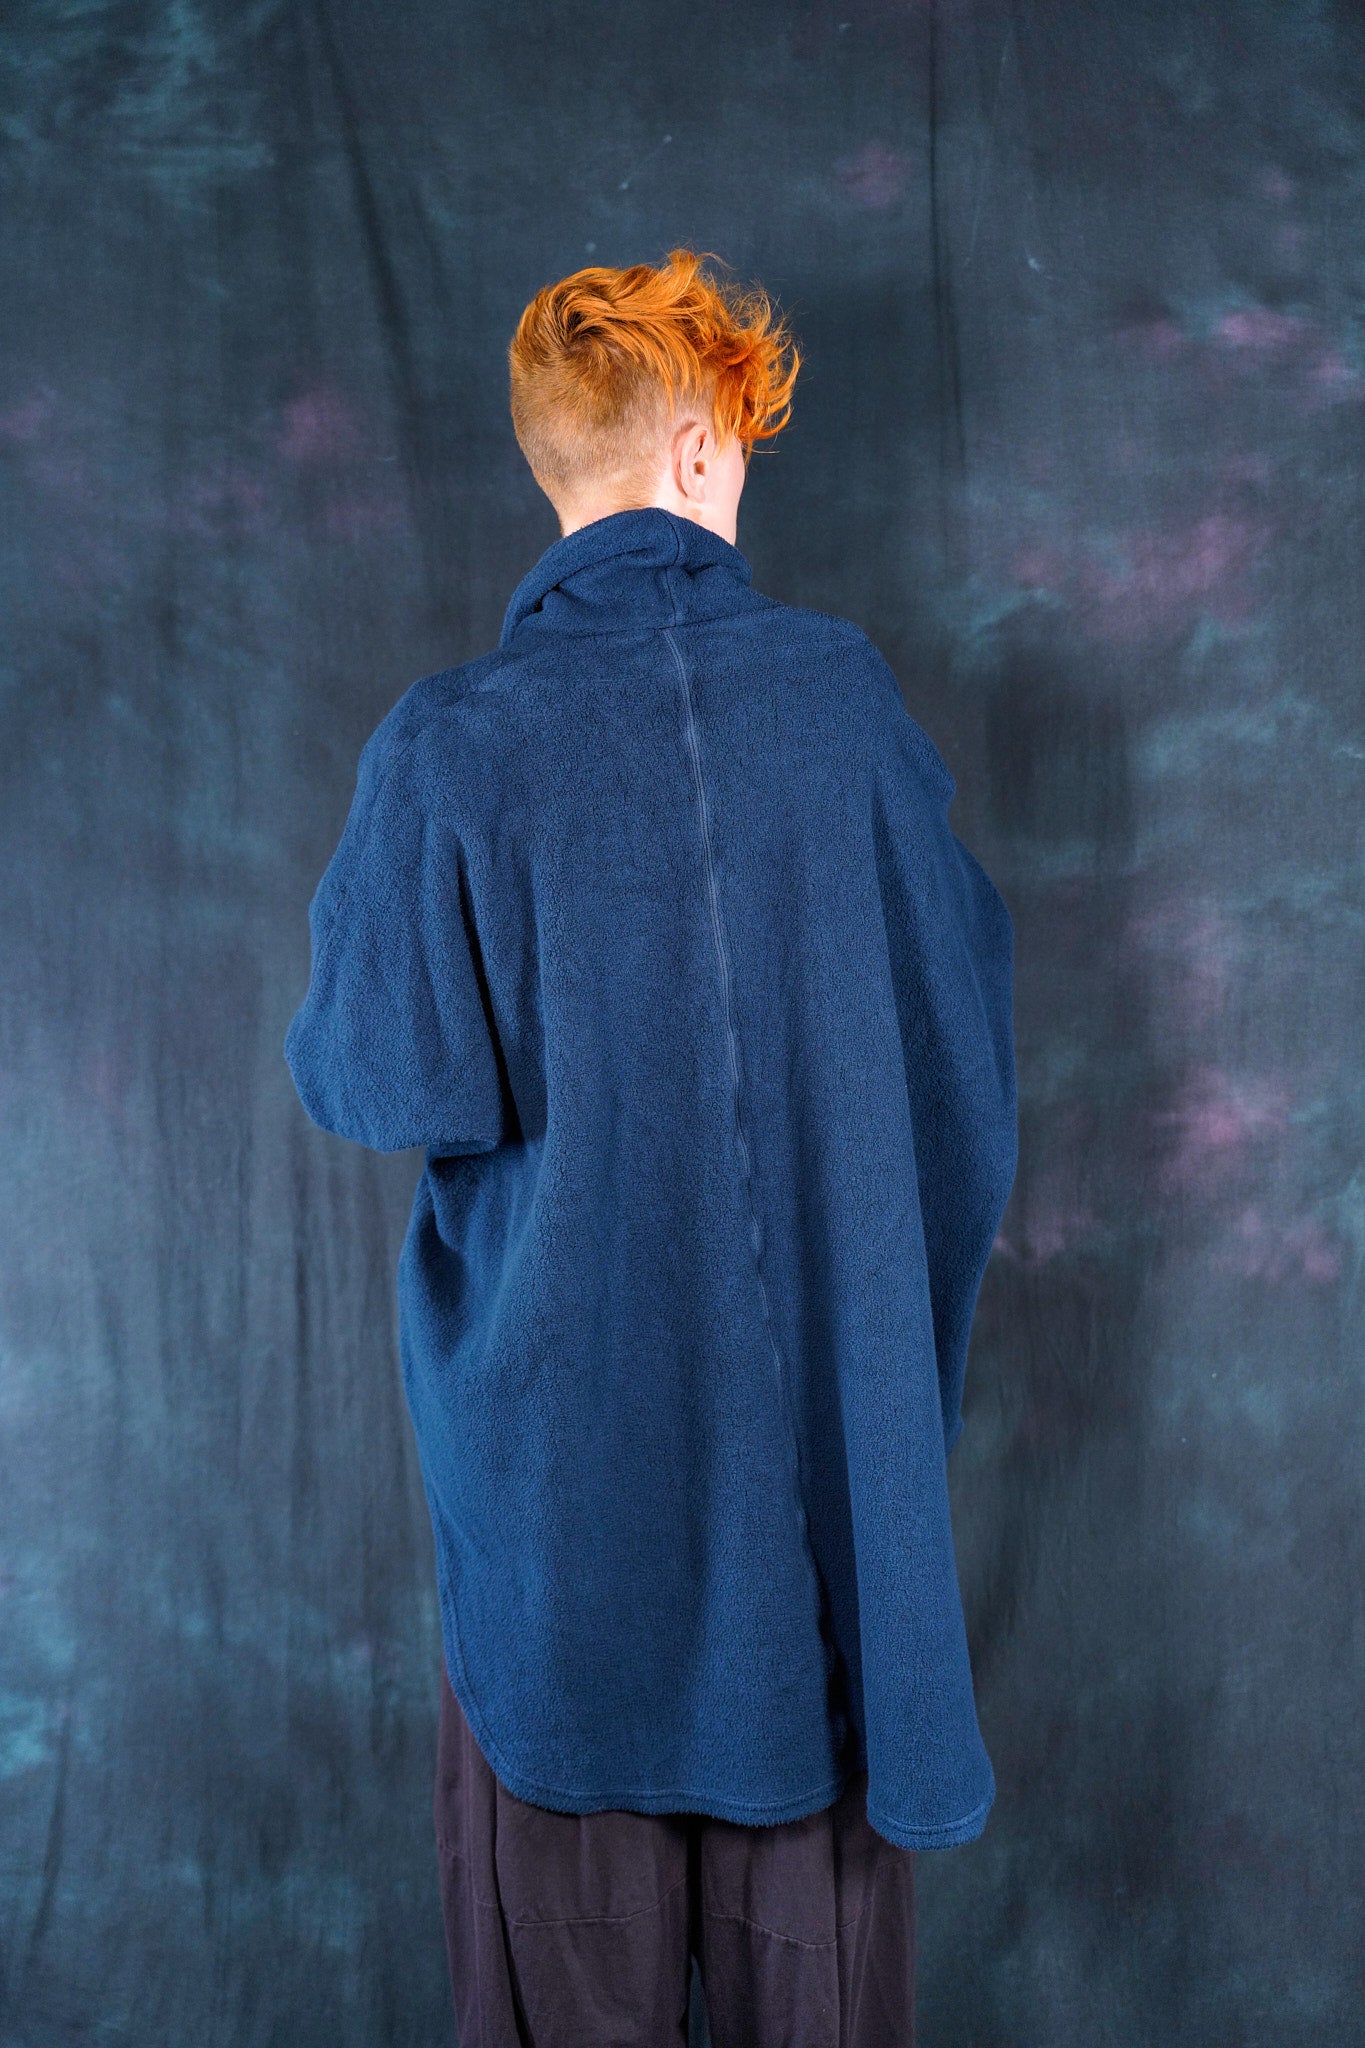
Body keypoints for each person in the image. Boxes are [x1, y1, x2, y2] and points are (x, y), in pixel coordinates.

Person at [284, 246, 1018, 2046]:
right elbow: (958, 1060)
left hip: (562, 1540)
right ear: (699, 450)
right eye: (744, 442)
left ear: (555, 463)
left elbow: (379, 1080)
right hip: (820, 1544)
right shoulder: (839, 700)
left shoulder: (447, 745)